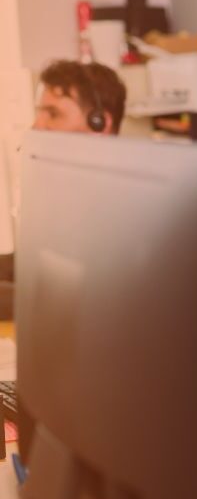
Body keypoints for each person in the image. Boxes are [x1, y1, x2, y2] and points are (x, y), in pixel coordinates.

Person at [0, 59, 127, 315]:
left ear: (99, 123)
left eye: (53, 114)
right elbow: (36, 265)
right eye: (40, 112)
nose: (37, 126)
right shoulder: (66, 190)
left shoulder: (121, 203)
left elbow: (76, 298)